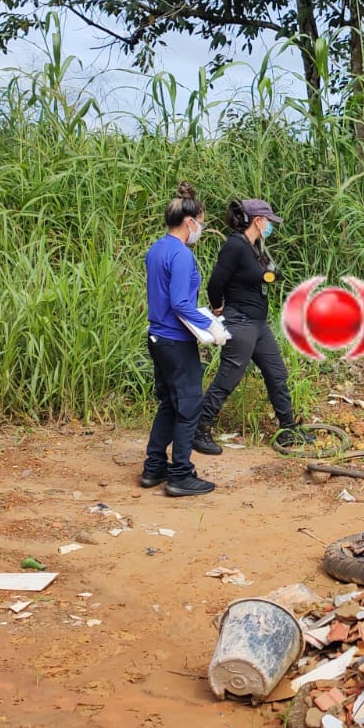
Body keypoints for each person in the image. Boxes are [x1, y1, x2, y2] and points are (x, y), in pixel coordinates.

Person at [192, 199, 315, 453]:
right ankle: (198, 428)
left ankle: (287, 429)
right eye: (268, 221)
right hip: (241, 321)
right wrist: (219, 307)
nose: (270, 225)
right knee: (229, 377)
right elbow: (216, 282)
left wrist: (269, 275)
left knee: (277, 373)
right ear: (258, 221)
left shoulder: (253, 247)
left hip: (258, 324)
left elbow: (260, 276)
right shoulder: (235, 245)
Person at [141, 182, 220, 497]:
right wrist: (211, 326)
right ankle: (180, 475)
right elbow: (180, 304)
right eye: (202, 222)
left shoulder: (157, 248)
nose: (202, 228)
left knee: (169, 404)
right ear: (190, 221)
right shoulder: (182, 255)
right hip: (176, 340)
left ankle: (153, 467)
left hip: (158, 337)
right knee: (189, 407)